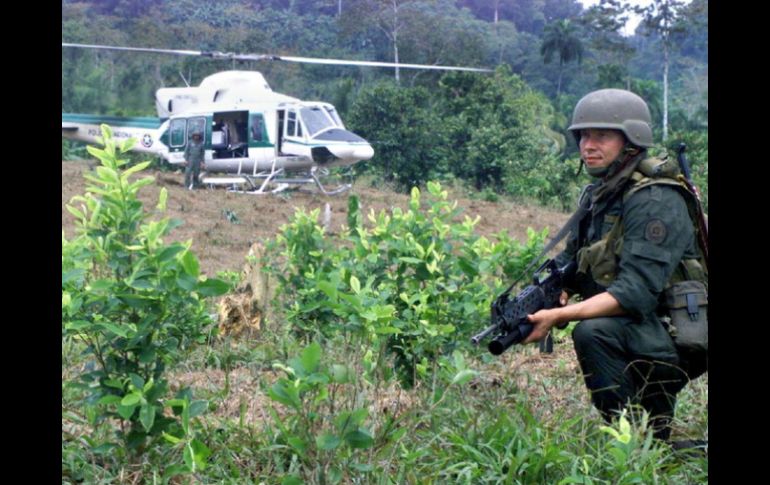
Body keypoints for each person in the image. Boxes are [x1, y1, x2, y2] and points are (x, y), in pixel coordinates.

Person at [522, 89, 707, 449]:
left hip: (683, 332)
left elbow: (634, 293)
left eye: (601, 136)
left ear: (631, 142)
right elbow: (573, 263)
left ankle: (635, 446)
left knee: (593, 332)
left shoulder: (656, 199)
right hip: (648, 327)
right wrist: (549, 293)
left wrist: (559, 317)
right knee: (599, 326)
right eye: (583, 136)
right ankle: (646, 439)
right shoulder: (603, 194)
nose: (588, 146)